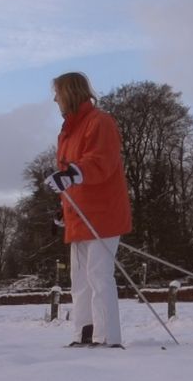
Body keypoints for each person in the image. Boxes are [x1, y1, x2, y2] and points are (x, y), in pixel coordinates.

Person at [45, 72, 132, 348]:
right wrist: (64, 206)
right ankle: (84, 331)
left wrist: (72, 174)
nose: (55, 98)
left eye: (57, 92)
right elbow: (68, 173)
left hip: (103, 214)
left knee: (98, 275)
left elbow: (100, 161)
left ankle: (107, 337)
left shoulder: (100, 122)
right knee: (79, 279)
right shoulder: (68, 131)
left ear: (69, 92)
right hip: (80, 216)